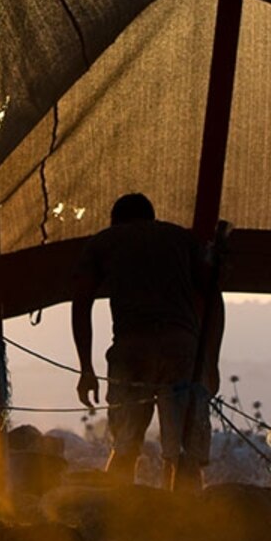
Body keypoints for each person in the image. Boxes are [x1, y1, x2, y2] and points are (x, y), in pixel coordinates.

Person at [71, 193, 218, 487]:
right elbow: (213, 295)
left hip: (131, 351)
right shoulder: (182, 240)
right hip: (181, 351)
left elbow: (81, 303)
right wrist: (210, 360)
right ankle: (189, 521)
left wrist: (86, 368)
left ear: (116, 222)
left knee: (125, 446)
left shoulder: (105, 241)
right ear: (152, 219)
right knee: (185, 452)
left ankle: (116, 518)